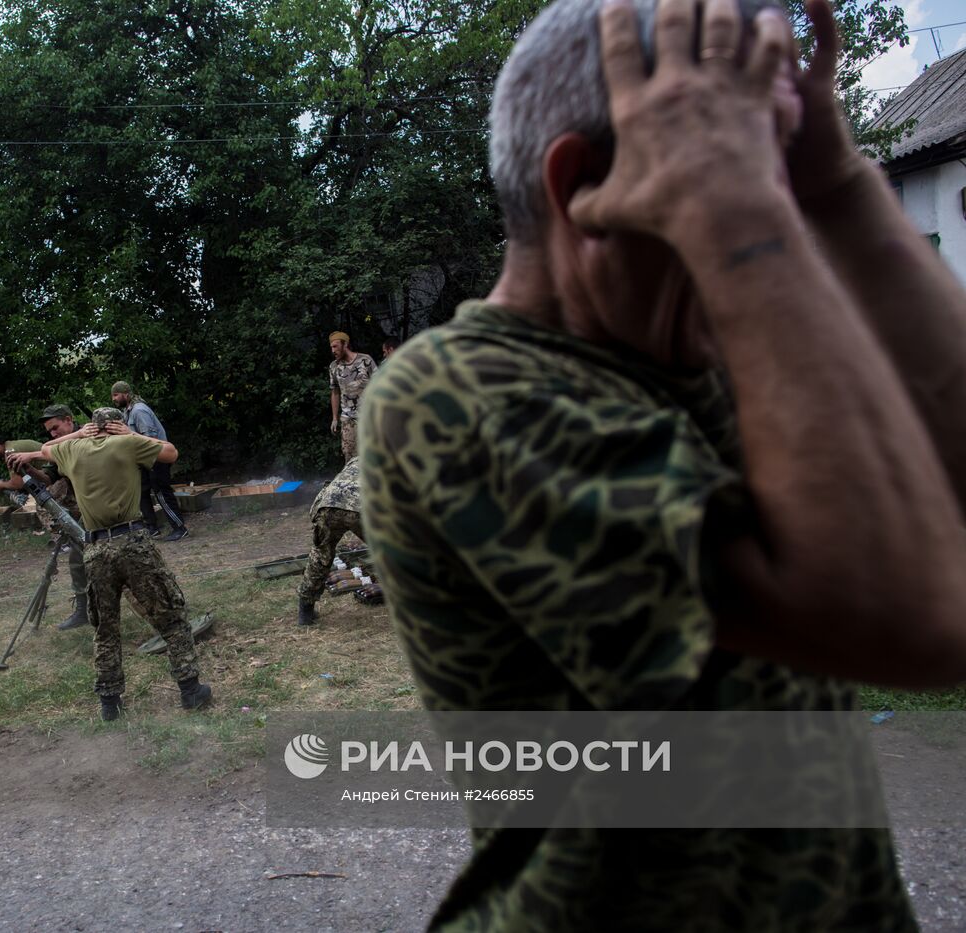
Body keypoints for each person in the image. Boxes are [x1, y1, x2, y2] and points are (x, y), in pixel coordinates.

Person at [360, 0, 966, 928]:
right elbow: (915, 620)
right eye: (723, 172)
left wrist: (841, 185)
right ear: (578, 190)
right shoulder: (456, 392)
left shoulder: (712, 360)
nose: (772, 217)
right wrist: (738, 210)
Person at [8, 407, 212, 721]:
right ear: (117, 424)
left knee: (105, 628)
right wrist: (130, 433)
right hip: (133, 542)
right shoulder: (127, 443)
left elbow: (47, 449)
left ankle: (109, 703)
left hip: (95, 548)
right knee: (170, 616)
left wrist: (78, 434)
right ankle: (190, 690)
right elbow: (171, 453)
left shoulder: (71, 449)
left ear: (90, 427)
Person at [0, 428, 89, 631]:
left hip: (70, 481)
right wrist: (29, 470)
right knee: (78, 553)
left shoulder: (10, 452)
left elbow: (17, 482)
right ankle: (71, 539)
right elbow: (40, 477)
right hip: (56, 476)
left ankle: (65, 537)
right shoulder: (16, 447)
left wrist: (1, 485)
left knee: (47, 509)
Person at [111, 380, 188, 542]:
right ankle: (152, 528)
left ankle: (179, 528)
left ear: (125, 393)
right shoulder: (128, 411)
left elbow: (150, 440)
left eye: (116, 395)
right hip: (144, 460)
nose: (114, 399)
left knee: (161, 493)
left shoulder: (139, 411)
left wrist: (127, 434)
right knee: (142, 491)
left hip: (157, 457)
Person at [296, 457, 365, 626]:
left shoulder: (357, 459)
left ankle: (305, 611)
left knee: (320, 555)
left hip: (328, 505)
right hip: (359, 507)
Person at [327, 331, 376, 461]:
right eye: (331, 347)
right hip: (348, 418)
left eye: (335, 346)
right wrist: (334, 418)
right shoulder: (334, 367)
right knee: (350, 457)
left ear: (345, 344)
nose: (333, 350)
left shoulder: (365, 360)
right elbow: (335, 392)